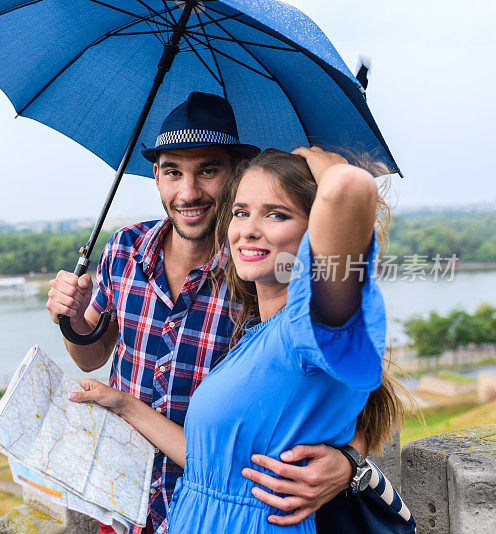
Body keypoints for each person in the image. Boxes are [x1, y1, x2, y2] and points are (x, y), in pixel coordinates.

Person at [47, 93, 374, 534]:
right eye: (172, 172)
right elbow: (91, 355)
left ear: (236, 175)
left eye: (208, 170)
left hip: (228, 504)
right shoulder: (125, 248)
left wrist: (348, 462)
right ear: (156, 176)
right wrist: (74, 317)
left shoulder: (263, 274)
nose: (188, 192)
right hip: (123, 499)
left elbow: (349, 388)